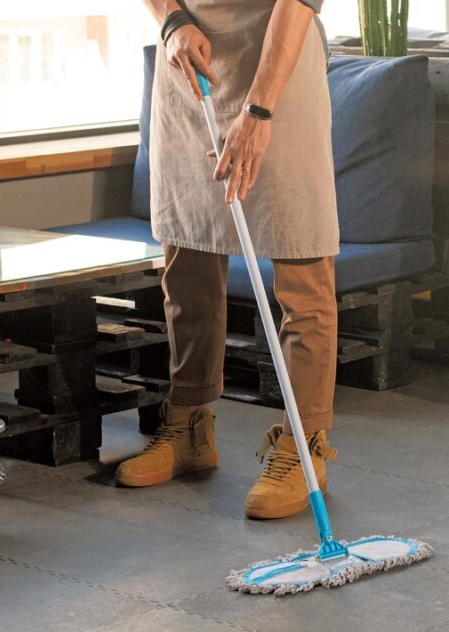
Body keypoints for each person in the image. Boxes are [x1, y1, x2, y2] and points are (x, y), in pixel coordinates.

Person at [118, 0, 338, 521]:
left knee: (300, 250)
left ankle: (304, 445)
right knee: (187, 255)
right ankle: (188, 426)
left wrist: (259, 111)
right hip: (191, 61)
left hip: (277, 68)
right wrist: (172, 21)